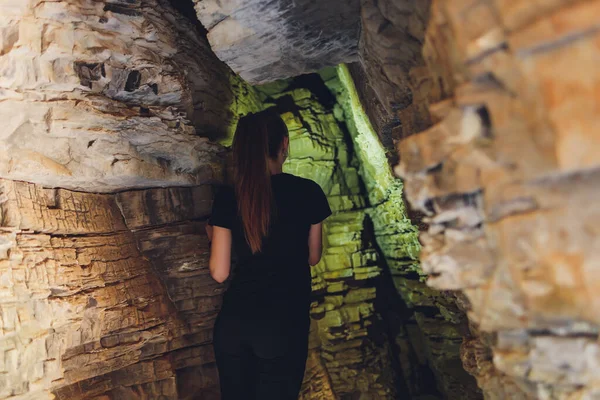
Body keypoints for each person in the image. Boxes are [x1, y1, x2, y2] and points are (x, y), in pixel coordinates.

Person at [206, 108, 332, 400]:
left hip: (234, 325)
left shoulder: (228, 198)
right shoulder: (308, 192)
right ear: (284, 145)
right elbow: (313, 256)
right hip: (282, 325)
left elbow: (220, 272)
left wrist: (213, 233)